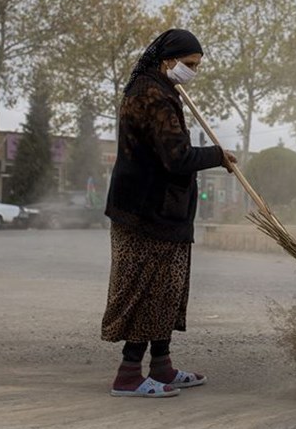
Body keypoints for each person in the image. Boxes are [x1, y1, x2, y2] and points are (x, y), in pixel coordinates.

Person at [101, 28, 237, 398]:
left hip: (159, 212)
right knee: (149, 291)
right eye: (190, 64)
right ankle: (128, 375)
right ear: (168, 60)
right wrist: (217, 156)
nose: (193, 71)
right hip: (148, 213)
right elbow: (176, 157)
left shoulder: (155, 89)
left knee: (167, 290)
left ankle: (161, 367)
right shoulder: (154, 95)